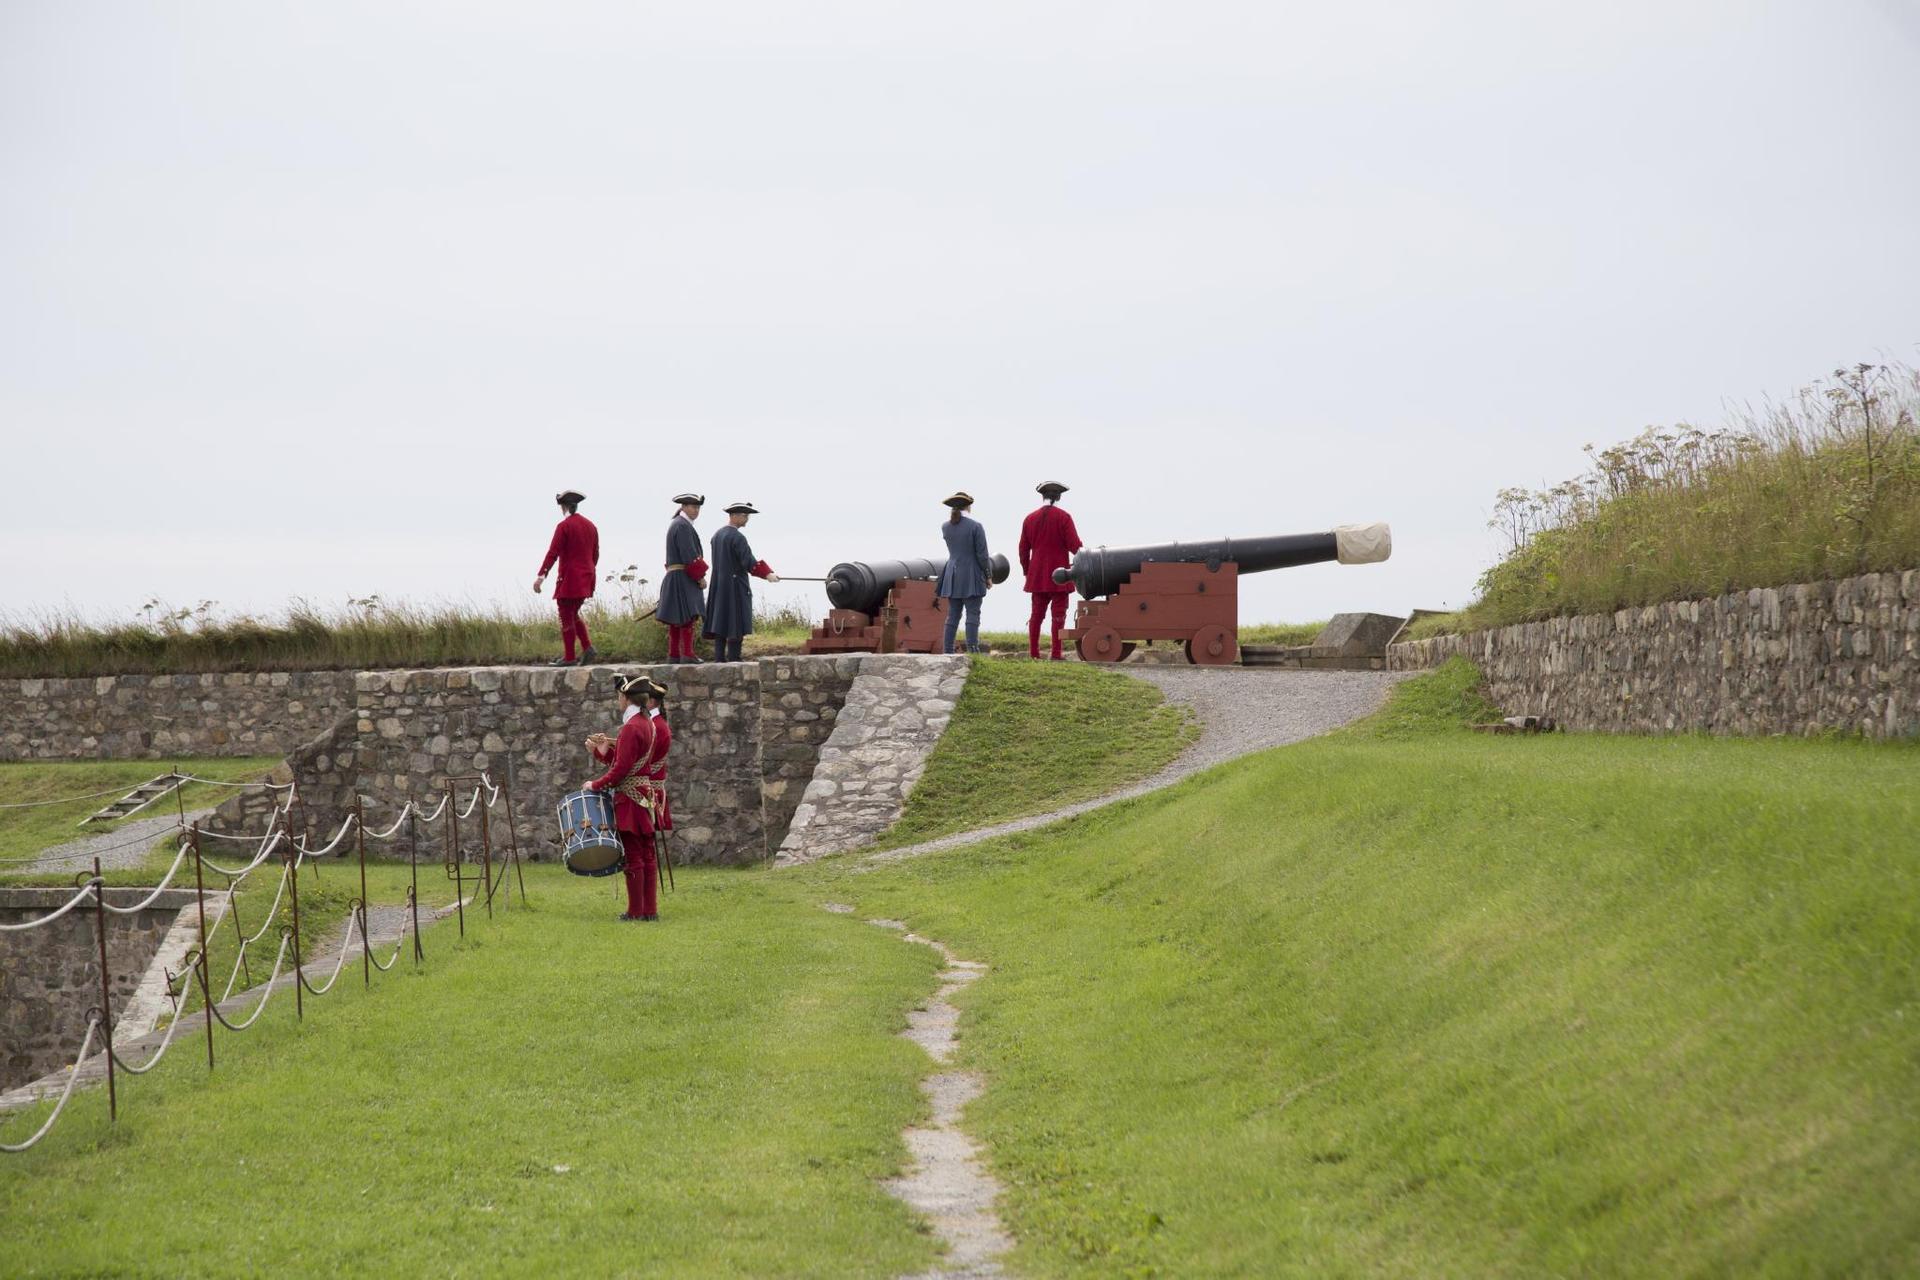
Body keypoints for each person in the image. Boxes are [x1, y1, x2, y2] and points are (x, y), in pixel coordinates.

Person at [585, 674, 660, 922]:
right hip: (643, 795)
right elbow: (628, 763)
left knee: (634, 856)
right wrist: (603, 753)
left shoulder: (630, 727)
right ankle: (649, 910)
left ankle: (635, 911)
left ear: (626, 698)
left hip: (630, 798)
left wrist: (594, 784)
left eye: (619, 696)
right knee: (647, 855)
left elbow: (620, 770)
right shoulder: (647, 722)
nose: (618, 700)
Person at [704, 501, 779, 663]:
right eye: (745, 516)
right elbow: (748, 562)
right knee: (735, 620)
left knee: (721, 620)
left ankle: (719, 658)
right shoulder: (737, 537)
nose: (747, 519)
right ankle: (734, 658)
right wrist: (768, 574)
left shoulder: (716, 535)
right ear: (735, 516)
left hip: (719, 584)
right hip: (735, 585)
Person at [533, 488, 601, 667]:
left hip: (570, 577)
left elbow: (553, 553)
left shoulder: (564, 526)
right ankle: (587, 648)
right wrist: (589, 572)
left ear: (564, 507)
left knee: (565, 613)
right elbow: (595, 554)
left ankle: (570, 657)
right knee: (573, 613)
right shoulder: (591, 526)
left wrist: (541, 576)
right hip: (587, 576)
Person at [1019, 480, 1083, 661]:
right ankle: (1056, 654)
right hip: (1061, 574)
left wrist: (1027, 571)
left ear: (1043, 496)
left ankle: (1034, 654)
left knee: (1036, 615)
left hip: (1037, 575)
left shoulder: (1029, 518)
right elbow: (1075, 546)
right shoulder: (1064, 517)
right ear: (1058, 496)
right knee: (1058, 615)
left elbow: (1023, 549)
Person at [936, 491, 991, 655]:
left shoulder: (945, 526)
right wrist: (988, 575)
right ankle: (973, 650)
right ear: (969, 506)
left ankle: (947, 650)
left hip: (952, 574)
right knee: (973, 613)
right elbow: (982, 555)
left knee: (953, 614)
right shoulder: (976, 526)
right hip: (972, 574)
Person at [659, 493, 709, 664]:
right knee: (687, 617)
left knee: (676, 618)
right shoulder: (682, 526)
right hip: (683, 575)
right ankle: (687, 654)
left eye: (698, 508)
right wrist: (700, 577)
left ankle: (674, 655)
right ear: (684, 507)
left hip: (676, 575)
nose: (696, 511)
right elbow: (690, 556)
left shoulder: (677, 524)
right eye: (693, 507)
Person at [639, 677, 674, 895]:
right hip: (650, 788)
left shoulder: (657, 726)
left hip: (648, 790)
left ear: (651, 701)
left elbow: (643, 761)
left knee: (645, 849)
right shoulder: (654, 724)